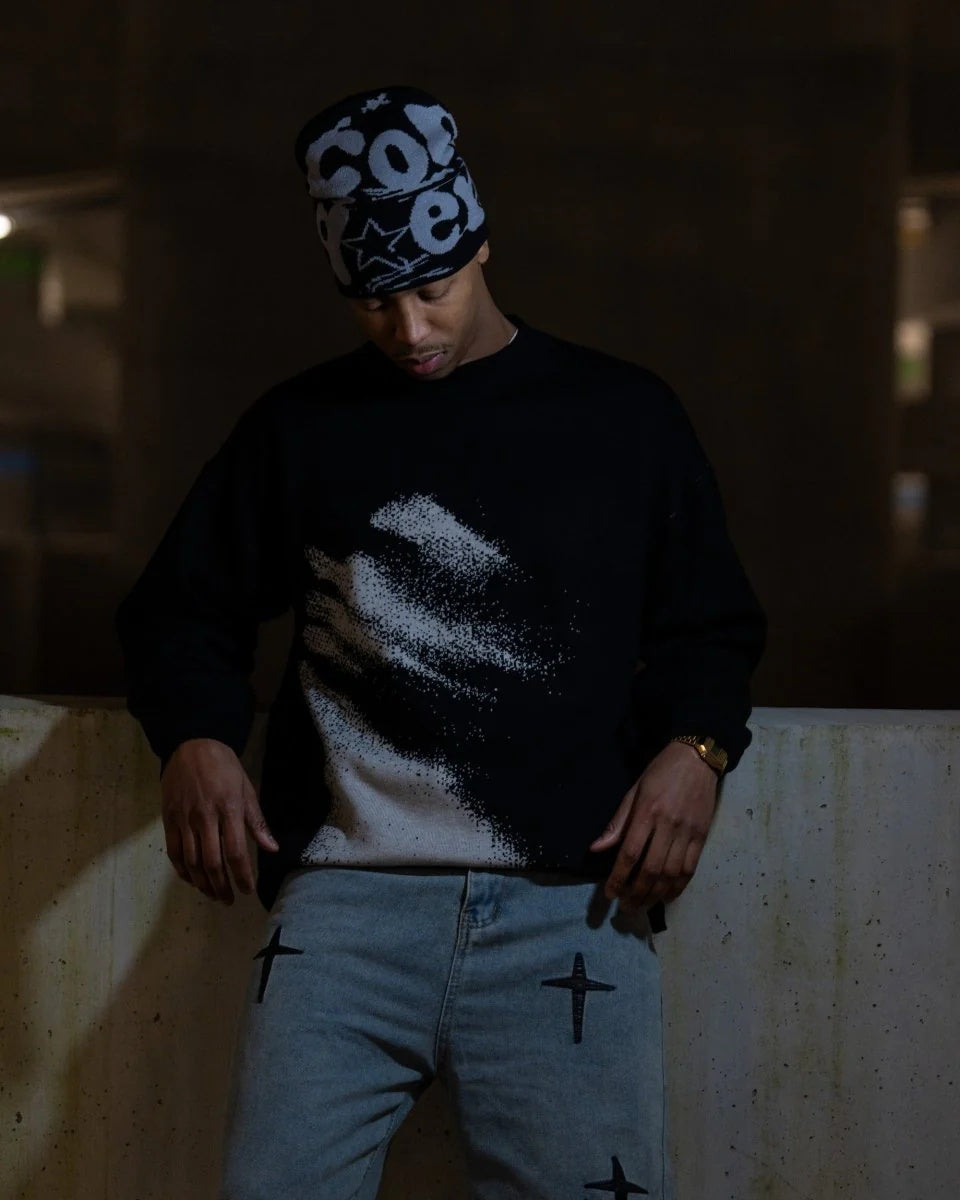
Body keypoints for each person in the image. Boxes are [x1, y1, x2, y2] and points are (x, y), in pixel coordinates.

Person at [116, 84, 766, 1200]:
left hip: (571, 906)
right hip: (344, 911)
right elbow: (178, 608)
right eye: (375, 303)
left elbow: (711, 622)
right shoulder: (301, 428)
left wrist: (698, 749)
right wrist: (196, 738)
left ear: (480, 245)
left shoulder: (622, 418)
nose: (410, 331)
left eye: (433, 287)